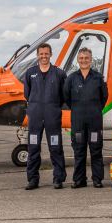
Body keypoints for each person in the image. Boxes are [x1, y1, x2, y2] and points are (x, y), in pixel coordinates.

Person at [22, 42, 67, 190]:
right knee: (33, 148)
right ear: (37, 55)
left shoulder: (59, 73)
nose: (44, 56)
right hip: (35, 117)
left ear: (51, 54)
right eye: (41, 54)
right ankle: (32, 180)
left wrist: (52, 107)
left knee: (55, 147)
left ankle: (58, 179)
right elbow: (27, 94)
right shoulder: (30, 73)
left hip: (52, 117)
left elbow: (63, 95)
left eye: (46, 53)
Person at [62, 47, 108, 189]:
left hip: (94, 121)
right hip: (78, 121)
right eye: (81, 58)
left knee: (96, 150)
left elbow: (104, 98)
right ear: (78, 60)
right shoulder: (71, 78)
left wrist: (94, 109)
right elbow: (66, 98)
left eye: (86, 58)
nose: (84, 60)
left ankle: (97, 179)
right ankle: (79, 179)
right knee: (79, 150)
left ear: (91, 59)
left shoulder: (98, 78)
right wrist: (78, 109)